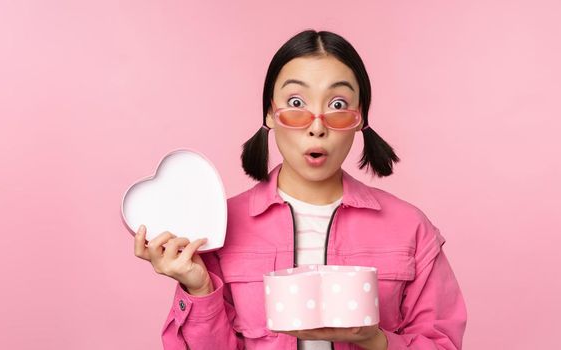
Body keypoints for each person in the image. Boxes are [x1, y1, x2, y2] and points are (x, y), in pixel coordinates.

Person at [132, 29, 467, 350]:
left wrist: (374, 340)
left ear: (360, 117)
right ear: (270, 114)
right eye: (296, 102)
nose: (317, 127)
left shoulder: (410, 229)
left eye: (337, 105)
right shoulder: (219, 226)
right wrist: (199, 287)